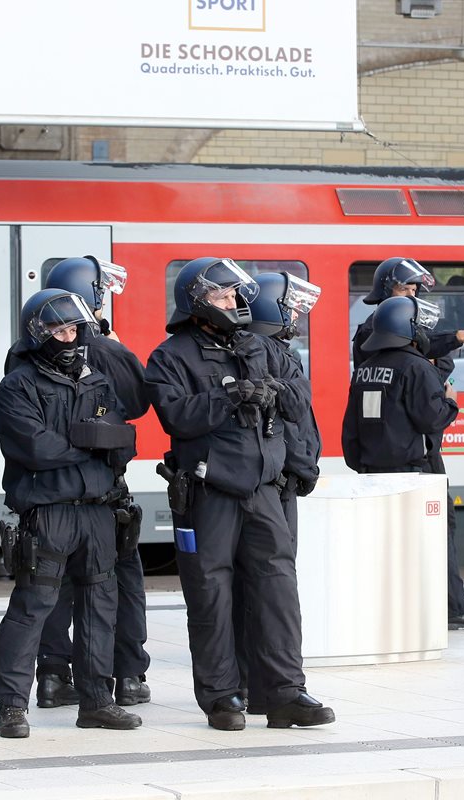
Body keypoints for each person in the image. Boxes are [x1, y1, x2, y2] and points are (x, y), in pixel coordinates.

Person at [145, 257, 334, 731]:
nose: (235, 304)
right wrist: (229, 396)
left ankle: (285, 692)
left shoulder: (260, 346)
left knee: (278, 592)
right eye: (223, 296)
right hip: (209, 492)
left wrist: (272, 390)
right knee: (211, 594)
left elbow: (299, 397)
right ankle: (223, 697)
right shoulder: (171, 356)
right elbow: (176, 417)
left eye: (235, 295)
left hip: (264, 490)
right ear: (197, 302)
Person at [0, 289, 142, 738]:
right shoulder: (17, 387)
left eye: (74, 328)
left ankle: (97, 701)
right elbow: (35, 447)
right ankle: (12, 707)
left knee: (100, 609)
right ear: (38, 333)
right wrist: (90, 443)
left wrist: (89, 444)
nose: (68, 337)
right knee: (32, 607)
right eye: (58, 329)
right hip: (48, 513)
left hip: (98, 513)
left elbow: (123, 442)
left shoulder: (98, 381)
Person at [34, 256, 153, 710]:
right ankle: (128, 675)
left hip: (49, 494)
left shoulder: (27, 349)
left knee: (52, 584)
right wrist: (110, 341)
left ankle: (51, 676)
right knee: (121, 582)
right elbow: (139, 401)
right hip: (102, 489)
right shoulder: (100, 347)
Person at [351, 257, 464, 630]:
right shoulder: (386, 339)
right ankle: (452, 605)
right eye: (408, 289)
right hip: (416, 455)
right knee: (436, 527)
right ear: (389, 292)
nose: (415, 297)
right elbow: (427, 392)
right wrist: (450, 386)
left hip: (384, 454)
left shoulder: (373, 346)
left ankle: (450, 594)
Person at [238, 271, 322, 713]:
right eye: (288, 306)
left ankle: (249, 683)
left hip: (267, 477)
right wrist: (305, 466)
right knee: (275, 585)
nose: (293, 314)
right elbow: (294, 420)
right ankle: (276, 686)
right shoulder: (274, 353)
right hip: (279, 481)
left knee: (249, 587)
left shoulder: (260, 349)